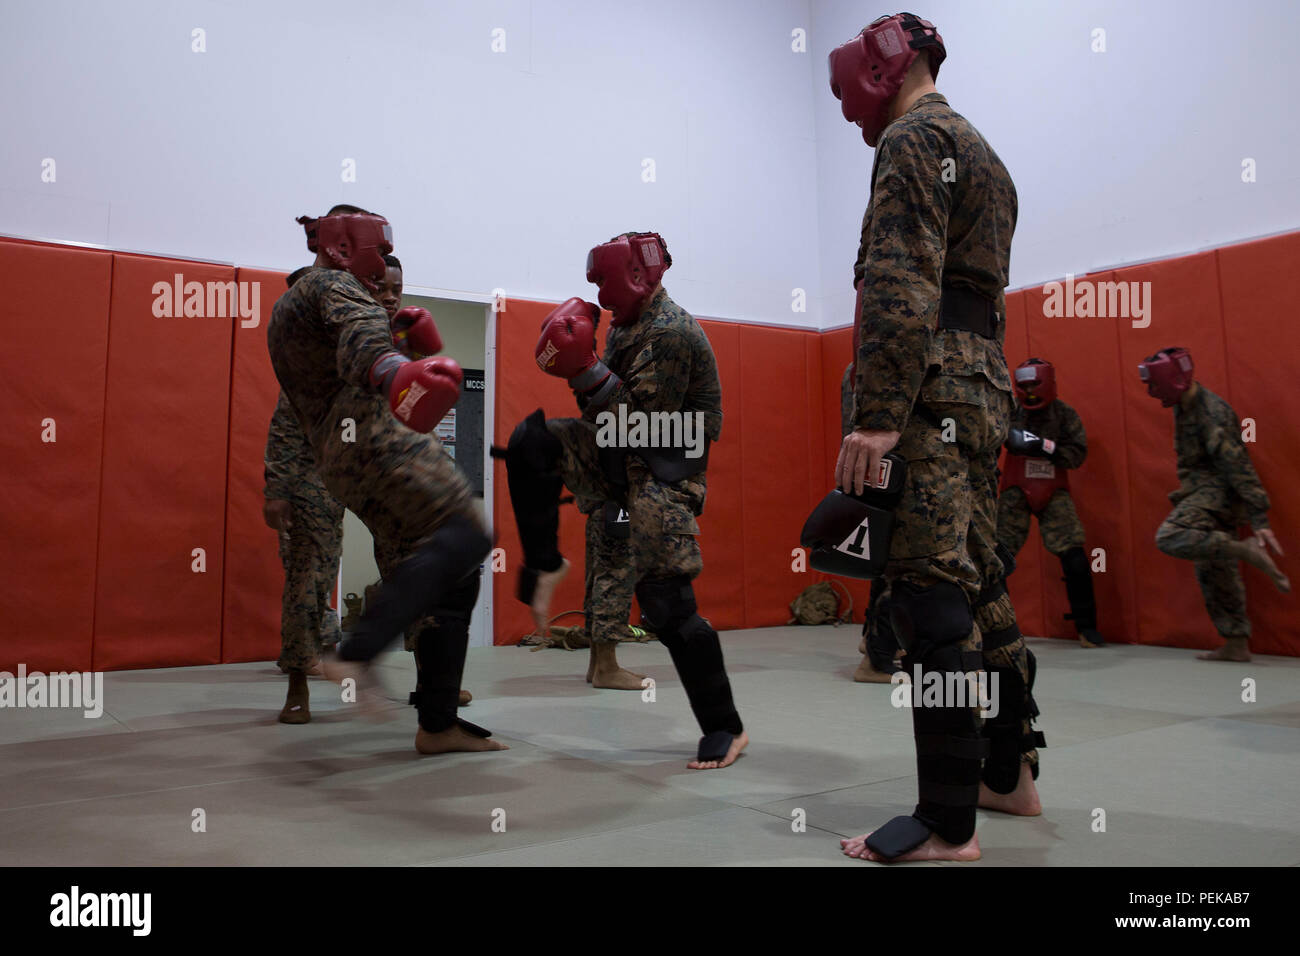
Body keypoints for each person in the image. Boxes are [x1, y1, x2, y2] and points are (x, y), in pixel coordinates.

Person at [828, 13, 1044, 863]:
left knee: (925, 595)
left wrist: (878, 414)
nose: (851, 112)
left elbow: (900, 278)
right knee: (978, 574)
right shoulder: (986, 152)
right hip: (979, 380)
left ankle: (947, 823)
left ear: (893, 65)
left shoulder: (914, 141)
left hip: (926, 389)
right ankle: (1008, 772)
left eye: (853, 89)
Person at [503, 233, 746, 769]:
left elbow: (641, 424)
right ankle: (543, 565)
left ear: (638, 275)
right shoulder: (625, 325)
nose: (599, 294)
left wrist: (584, 368)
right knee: (531, 444)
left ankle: (725, 728)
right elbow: (604, 419)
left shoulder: (671, 332)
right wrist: (586, 372)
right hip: (617, 454)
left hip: (664, 468)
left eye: (604, 282)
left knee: (666, 604)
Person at [268, 204, 504, 756]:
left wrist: (404, 353)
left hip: (342, 459)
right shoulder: (333, 287)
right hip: (377, 444)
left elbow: (346, 359)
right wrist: (395, 368)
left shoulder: (294, 307)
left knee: (455, 573)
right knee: (468, 533)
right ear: (343, 245)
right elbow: (362, 344)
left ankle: (437, 720)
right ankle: (357, 652)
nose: (384, 266)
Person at [1141, 347, 1290, 661]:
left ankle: (1245, 549)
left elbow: (1238, 465)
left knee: (1170, 536)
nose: (1152, 393)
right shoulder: (1185, 404)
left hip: (1216, 491)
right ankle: (1236, 643)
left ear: (1172, 380)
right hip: (1205, 491)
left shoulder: (1211, 414)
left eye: (1155, 385)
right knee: (1215, 569)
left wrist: (1259, 519)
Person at [263, 266, 344, 723]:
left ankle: (435, 684)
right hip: (309, 481)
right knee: (305, 579)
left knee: (327, 575)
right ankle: (298, 680)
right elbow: (284, 427)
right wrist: (278, 489)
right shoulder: (301, 361)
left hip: (354, 476)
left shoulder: (359, 342)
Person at [996, 357, 1107, 646]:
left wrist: (1043, 446)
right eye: (1024, 385)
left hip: (1053, 490)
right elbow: (989, 443)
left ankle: (1087, 627)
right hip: (1016, 490)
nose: (1030, 391)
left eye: (1035, 384)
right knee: (997, 558)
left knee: (1074, 556)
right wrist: (1007, 440)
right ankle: (995, 628)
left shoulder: (1065, 415)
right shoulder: (1009, 413)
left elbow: (1077, 455)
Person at [840, 358, 904, 683]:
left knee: (887, 565)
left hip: (881, 475)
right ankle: (877, 657)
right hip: (891, 475)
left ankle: (876, 645)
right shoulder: (876, 367)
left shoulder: (862, 366)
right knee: (902, 568)